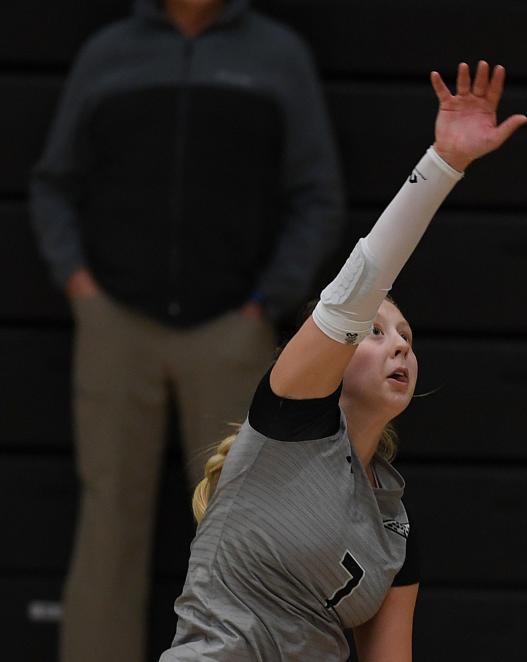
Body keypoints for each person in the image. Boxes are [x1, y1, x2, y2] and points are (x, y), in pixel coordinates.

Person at [159, 60, 527, 661]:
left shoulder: (394, 524)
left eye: (406, 334)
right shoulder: (289, 425)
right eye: (375, 332)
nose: (401, 344)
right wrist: (444, 164)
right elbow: (365, 276)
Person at [29, 1, 345, 660]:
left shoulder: (277, 57)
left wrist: (267, 302)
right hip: (117, 324)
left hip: (233, 330)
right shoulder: (108, 53)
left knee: (237, 529)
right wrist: (83, 290)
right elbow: (55, 183)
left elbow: (316, 193)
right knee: (108, 521)